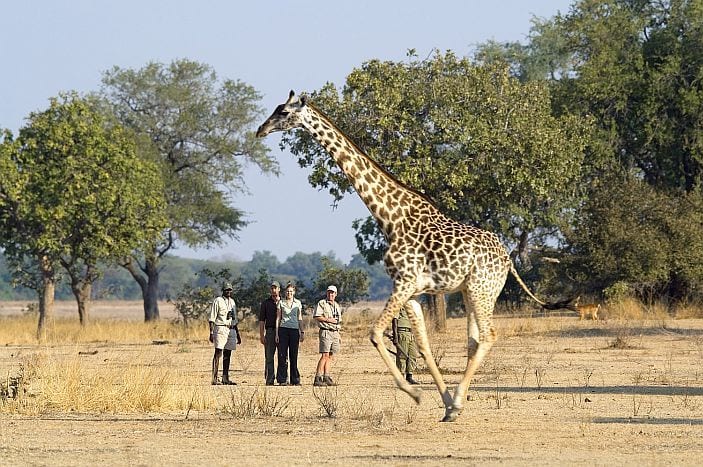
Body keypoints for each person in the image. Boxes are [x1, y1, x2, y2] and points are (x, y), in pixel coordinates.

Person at [208, 282, 241, 385]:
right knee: (218, 353)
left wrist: (238, 334)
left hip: (231, 329)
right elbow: (212, 318)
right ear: (223, 290)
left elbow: (234, 319)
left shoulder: (232, 302)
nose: (229, 292)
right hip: (220, 327)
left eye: (230, 290)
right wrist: (211, 332)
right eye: (227, 290)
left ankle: (225, 378)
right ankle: (214, 378)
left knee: (228, 353)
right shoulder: (218, 301)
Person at [275, 282, 304, 385]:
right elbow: (278, 318)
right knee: (282, 355)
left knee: (294, 355)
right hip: (283, 330)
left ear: (294, 292)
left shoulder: (298, 303)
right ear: (285, 292)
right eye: (287, 291)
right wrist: (277, 333)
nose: (289, 293)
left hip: (294, 330)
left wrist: (302, 331)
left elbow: (299, 318)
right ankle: (282, 379)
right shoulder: (281, 303)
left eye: (291, 291)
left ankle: (295, 379)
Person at [313, 285, 342, 386]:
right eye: (329, 292)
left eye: (333, 292)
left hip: (335, 332)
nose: (331, 294)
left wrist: (339, 332)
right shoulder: (322, 303)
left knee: (331, 355)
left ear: (336, 294)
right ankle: (318, 377)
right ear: (327, 293)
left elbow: (338, 320)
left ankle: (326, 376)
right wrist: (328, 320)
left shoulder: (337, 305)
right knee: (324, 355)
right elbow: (317, 316)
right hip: (325, 331)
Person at [391, 304, 420, 385]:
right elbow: (394, 320)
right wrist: (395, 336)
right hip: (402, 333)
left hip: (410, 333)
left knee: (412, 355)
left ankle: (409, 377)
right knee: (402, 356)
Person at [259, 280, 280, 386]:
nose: (274, 290)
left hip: (282, 332)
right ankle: (270, 379)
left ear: (279, 289)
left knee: (282, 356)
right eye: (272, 288)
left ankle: (282, 379)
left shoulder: (284, 302)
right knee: (269, 356)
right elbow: (262, 320)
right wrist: (262, 335)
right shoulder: (266, 303)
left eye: (275, 288)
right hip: (270, 331)